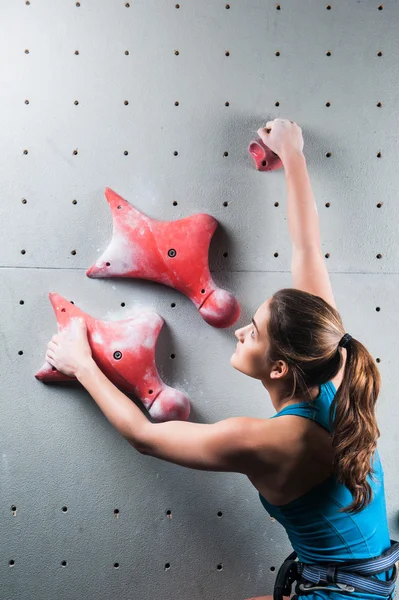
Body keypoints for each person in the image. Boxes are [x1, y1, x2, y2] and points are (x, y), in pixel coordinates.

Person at [45, 119, 398, 600]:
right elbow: (307, 249)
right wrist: (292, 155)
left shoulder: (267, 439)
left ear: (278, 368)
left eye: (253, 333)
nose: (240, 331)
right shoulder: (330, 357)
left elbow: (146, 437)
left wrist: (80, 362)